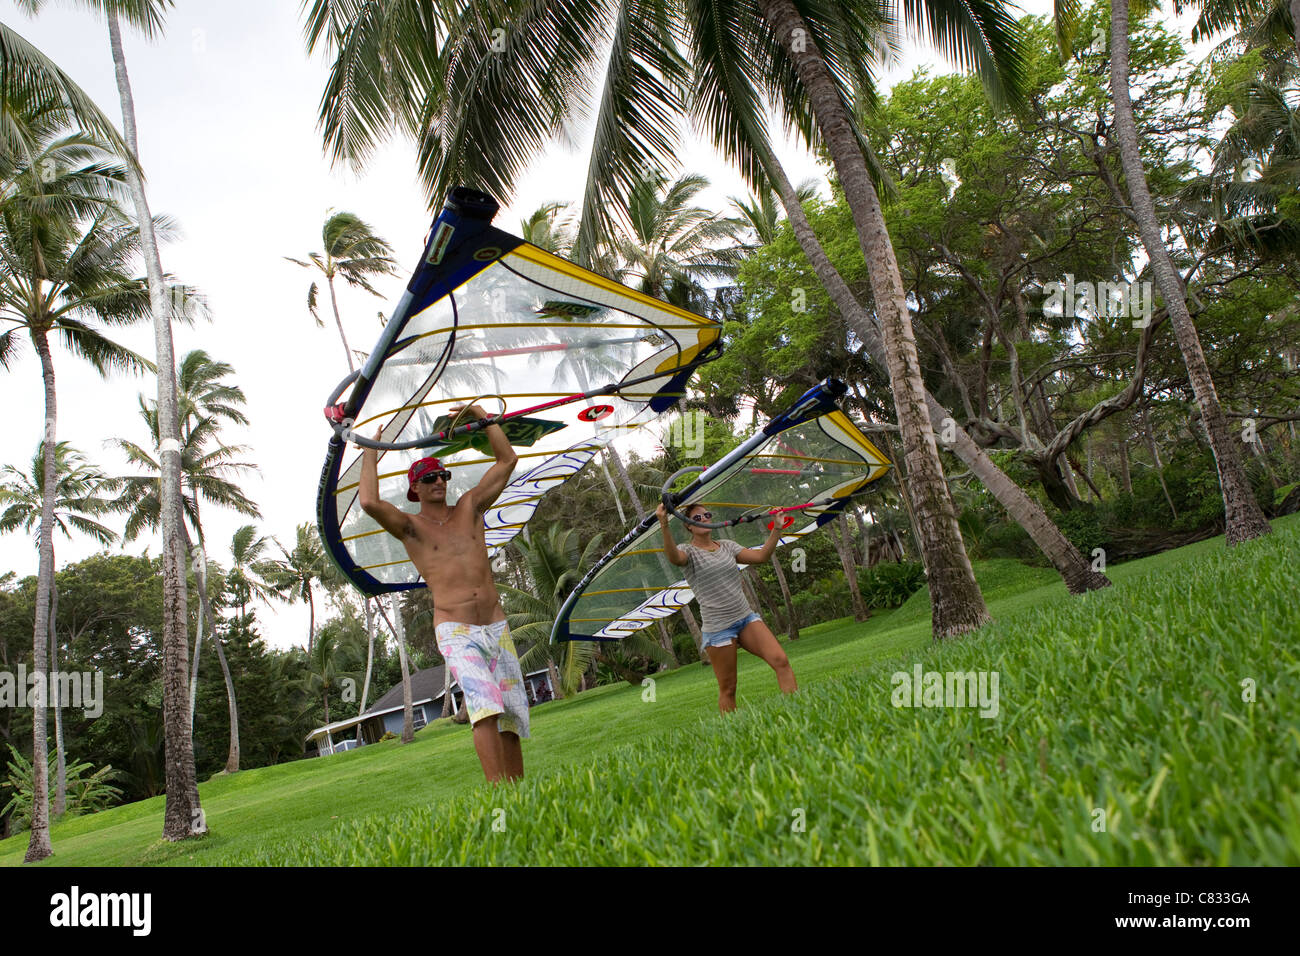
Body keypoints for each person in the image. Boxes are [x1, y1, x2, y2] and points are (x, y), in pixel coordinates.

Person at [358, 406, 525, 783]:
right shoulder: (410, 527)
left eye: (443, 475)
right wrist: (371, 451)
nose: (439, 481)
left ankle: (519, 794)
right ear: (414, 488)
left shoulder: (470, 506)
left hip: (495, 625)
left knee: (512, 713)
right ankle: (498, 792)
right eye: (429, 477)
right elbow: (369, 502)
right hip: (456, 629)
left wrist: (483, 416)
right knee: (484, 707)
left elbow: (507, 459)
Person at [656, 501, 797, 714]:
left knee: (781, 660)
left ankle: (798, 709)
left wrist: (777, 527)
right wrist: (664, 525)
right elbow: (674, 557)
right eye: (697, 518)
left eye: (707, 515)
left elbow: (761, 556)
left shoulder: (727, 546)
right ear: (689, 526)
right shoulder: (688, 552)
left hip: (745, 618)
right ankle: (731, 732)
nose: (704, 519)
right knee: (729, 688)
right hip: (719, 628)